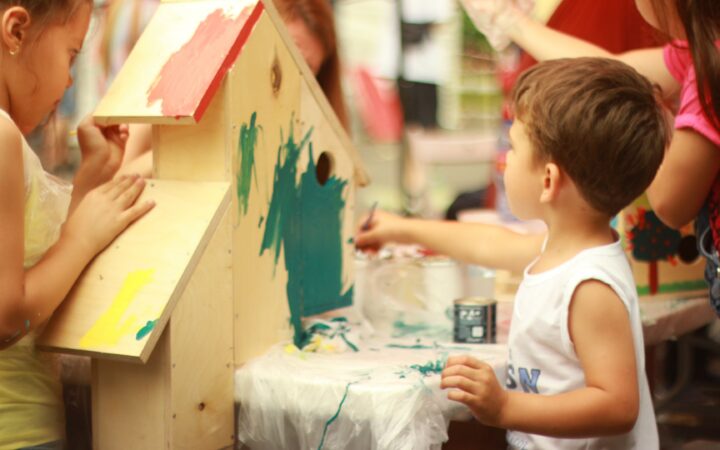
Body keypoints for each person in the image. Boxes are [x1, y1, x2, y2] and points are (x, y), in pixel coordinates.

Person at [356, 58, 668, 448]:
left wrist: (505, 407)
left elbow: (618, 405)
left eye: (513, 148)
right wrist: (402, 228)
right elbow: (489, 244)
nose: (503, 161)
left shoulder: (589, 285)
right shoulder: (565, 247)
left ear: (549, 180)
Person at [461, 0, 720, 315]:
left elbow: (670, 203)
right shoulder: (699, 53)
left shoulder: (712, 69)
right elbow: (614, 69)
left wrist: (651, 119)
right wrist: (509, 20)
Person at [0, 1, 155, 448]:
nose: (70, 80)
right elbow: (7, 316)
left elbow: (30, 268)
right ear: (15, 31)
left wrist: (88, 187)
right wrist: (81, 236)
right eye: (71, 52)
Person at [120, 0, 349, 176]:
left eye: (307, 71)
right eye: (284, 57)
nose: (290, 77)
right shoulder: (180, 89)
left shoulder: (307, 135)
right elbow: (118, 180)